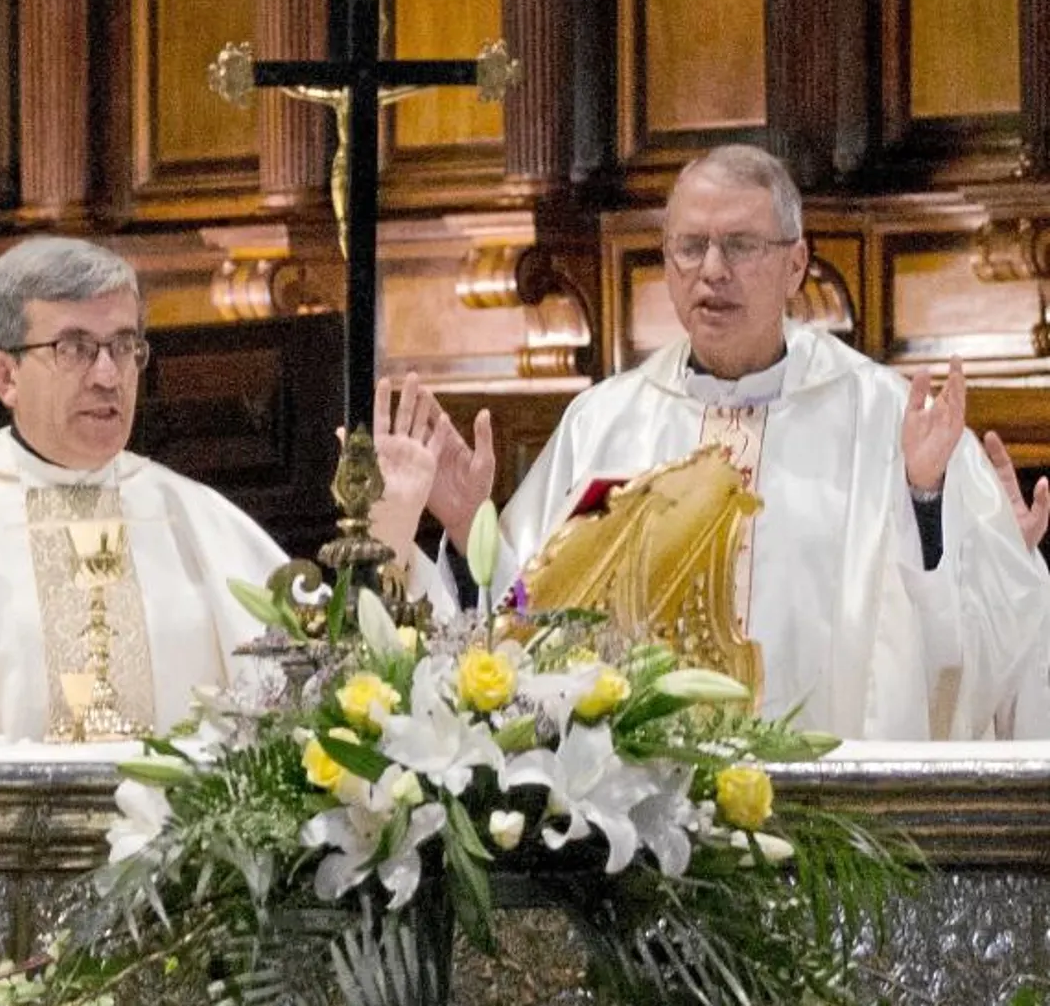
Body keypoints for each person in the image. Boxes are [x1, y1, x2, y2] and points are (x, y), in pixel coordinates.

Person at [407, 144, 1050, 741]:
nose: (712, 271)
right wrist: (468, 531)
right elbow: (536, 619)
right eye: (690, 246)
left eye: (741, 245)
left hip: (832, 823)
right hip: (651, 814)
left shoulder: (892, 422)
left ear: (796, 263)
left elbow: (991, 631)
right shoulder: (605, 425)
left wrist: (928, 503)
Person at [0, 236, 455, 742]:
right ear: (3, 375)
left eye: (124, 346)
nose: (108, 374)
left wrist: (388, 538)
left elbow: (324, 699)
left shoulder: (190, 518)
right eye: (76, 347)